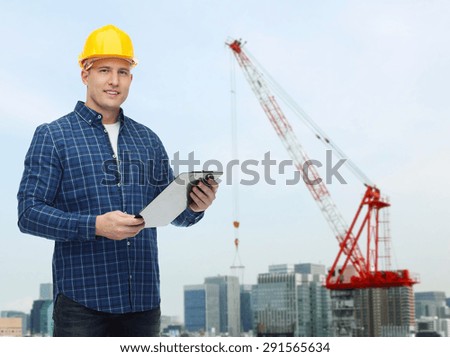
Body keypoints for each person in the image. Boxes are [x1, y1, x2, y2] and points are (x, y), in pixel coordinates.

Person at [17, 24, 218, 337]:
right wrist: (95, 226)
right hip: (82, 305)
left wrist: (195, 206)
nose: (114, 81)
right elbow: (29, 214)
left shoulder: (147, 140)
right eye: (104, 70)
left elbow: (171, 212)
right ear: (85, 74)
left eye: (123, 72)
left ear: (131, 79)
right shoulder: (53, 136)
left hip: (144, 304)